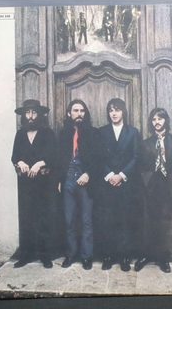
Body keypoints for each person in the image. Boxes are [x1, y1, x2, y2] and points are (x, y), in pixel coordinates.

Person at [135, 108, 172, 273]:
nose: (157, 122)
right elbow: (140, 166)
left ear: (166, 121)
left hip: (168, 186)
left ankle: (163, 258)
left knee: (165, 223)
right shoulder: (146, 143)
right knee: (148, 222)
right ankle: (145, 256)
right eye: (154, 119)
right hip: (151, 187)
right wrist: (146, 182)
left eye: (160, 119)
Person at [11, 99, 57, 269]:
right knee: (26, 219)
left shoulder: (47, 133)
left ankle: (45, 256)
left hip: (44, 185)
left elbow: (54, 155)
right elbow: (14, 156)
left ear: (39, 115)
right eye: (27, 113)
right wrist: (20, 162)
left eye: (34, 112)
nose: (30, 116)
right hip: (25, 185)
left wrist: (40, 163)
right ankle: (26, 255)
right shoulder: (20, 134)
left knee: (44, 218)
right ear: (24, 115)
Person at [58, 99, 101, 270]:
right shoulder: (63, 134)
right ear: (69, 113)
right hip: (68, 179)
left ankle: (86, 256)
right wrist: (60, 180)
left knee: (86, 220)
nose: (79, 114)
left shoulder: (93, 133)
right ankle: (71, 254)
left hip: (86, 181)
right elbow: (58, 159)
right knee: (69, 220)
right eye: (75, 110)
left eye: (82, 111)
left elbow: (98, 159)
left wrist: (88, 174)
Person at [98, 98, 141, 271]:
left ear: (123, 112)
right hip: (107, 184)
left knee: (125, 220)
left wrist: (121, 175)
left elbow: (136, 157)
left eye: (117, 110)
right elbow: (98, 157)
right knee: (107, 220)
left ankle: (124, 257)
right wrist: (110, 175)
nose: (114, 113)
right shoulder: (102, 132)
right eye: (111, 110)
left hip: (126, 184)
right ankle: (108, 256)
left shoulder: (133, 132)